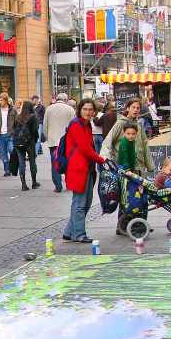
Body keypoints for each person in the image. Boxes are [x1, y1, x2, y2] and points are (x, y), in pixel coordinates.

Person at [62, 99, 106, 244]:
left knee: (85, 202)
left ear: (94, 111)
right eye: (85, 109)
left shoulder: (87, 125)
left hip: (87, 168)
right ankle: (79, 234)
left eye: (90, 109)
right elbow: (85, 149)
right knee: (80, 203)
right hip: (78, 169)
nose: (88, 112)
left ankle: (69, 232)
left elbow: (89, 148)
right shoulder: (76, 124)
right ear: (80, 110)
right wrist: (102, 160)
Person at [100, 98, 154, 177]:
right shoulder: (121, 123)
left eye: (138, 108)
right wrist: (106, 161)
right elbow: (108, 141)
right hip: (124, 167)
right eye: (133, 107)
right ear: (128, 108)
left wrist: (150, 166)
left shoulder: (139, 126)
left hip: (138, 166)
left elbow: (145, 145)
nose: (135, 110)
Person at [43, 93, 75, 192]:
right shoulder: (70, 109)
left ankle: (58, 186)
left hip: (53, 140)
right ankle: (69, 184)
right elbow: (73, 125)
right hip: (66, 141)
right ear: (65, 100)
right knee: (68, 162)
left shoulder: (49, 109)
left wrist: (47, 136)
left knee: (55, 163)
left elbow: (45, 125)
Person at [12, 100, 40, 191]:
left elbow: (14, 129)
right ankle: (34, 182)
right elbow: (35, 131)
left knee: (21, 162)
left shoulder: (18, 117)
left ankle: (23, 184)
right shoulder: (33, 117)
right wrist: (35, 140)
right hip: (29, 142)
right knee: (32, 161)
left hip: (18, 143)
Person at [0, 93, 16, 176]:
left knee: (11, 150)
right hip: (0, 135)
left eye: (1, 100)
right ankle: (7, 170)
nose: (0, 102)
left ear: (6, 100)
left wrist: (14, 132)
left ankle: (12, 166)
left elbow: (16, 122)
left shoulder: (12, 110)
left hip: (10, 134)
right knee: (3, 154)